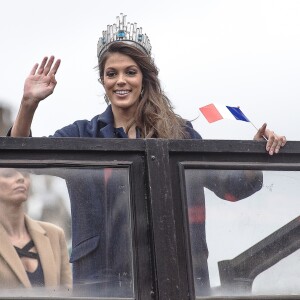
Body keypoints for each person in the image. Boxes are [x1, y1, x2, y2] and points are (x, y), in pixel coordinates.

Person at [8, 13, 286, 296]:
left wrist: (259, 151)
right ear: (102, 81)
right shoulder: (83, 134)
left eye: (130, 72)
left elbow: (232, 187)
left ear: (144, 78)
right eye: (111, 73)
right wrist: (29, 103)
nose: (120, 81)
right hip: (103, 284)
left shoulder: (178, 133)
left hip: (176, 275)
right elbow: (26, 158)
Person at [0, 168, 72, 291]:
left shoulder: (55, 235)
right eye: (8, 174)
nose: (20, 178)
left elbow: (67, 292)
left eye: (26, 174)